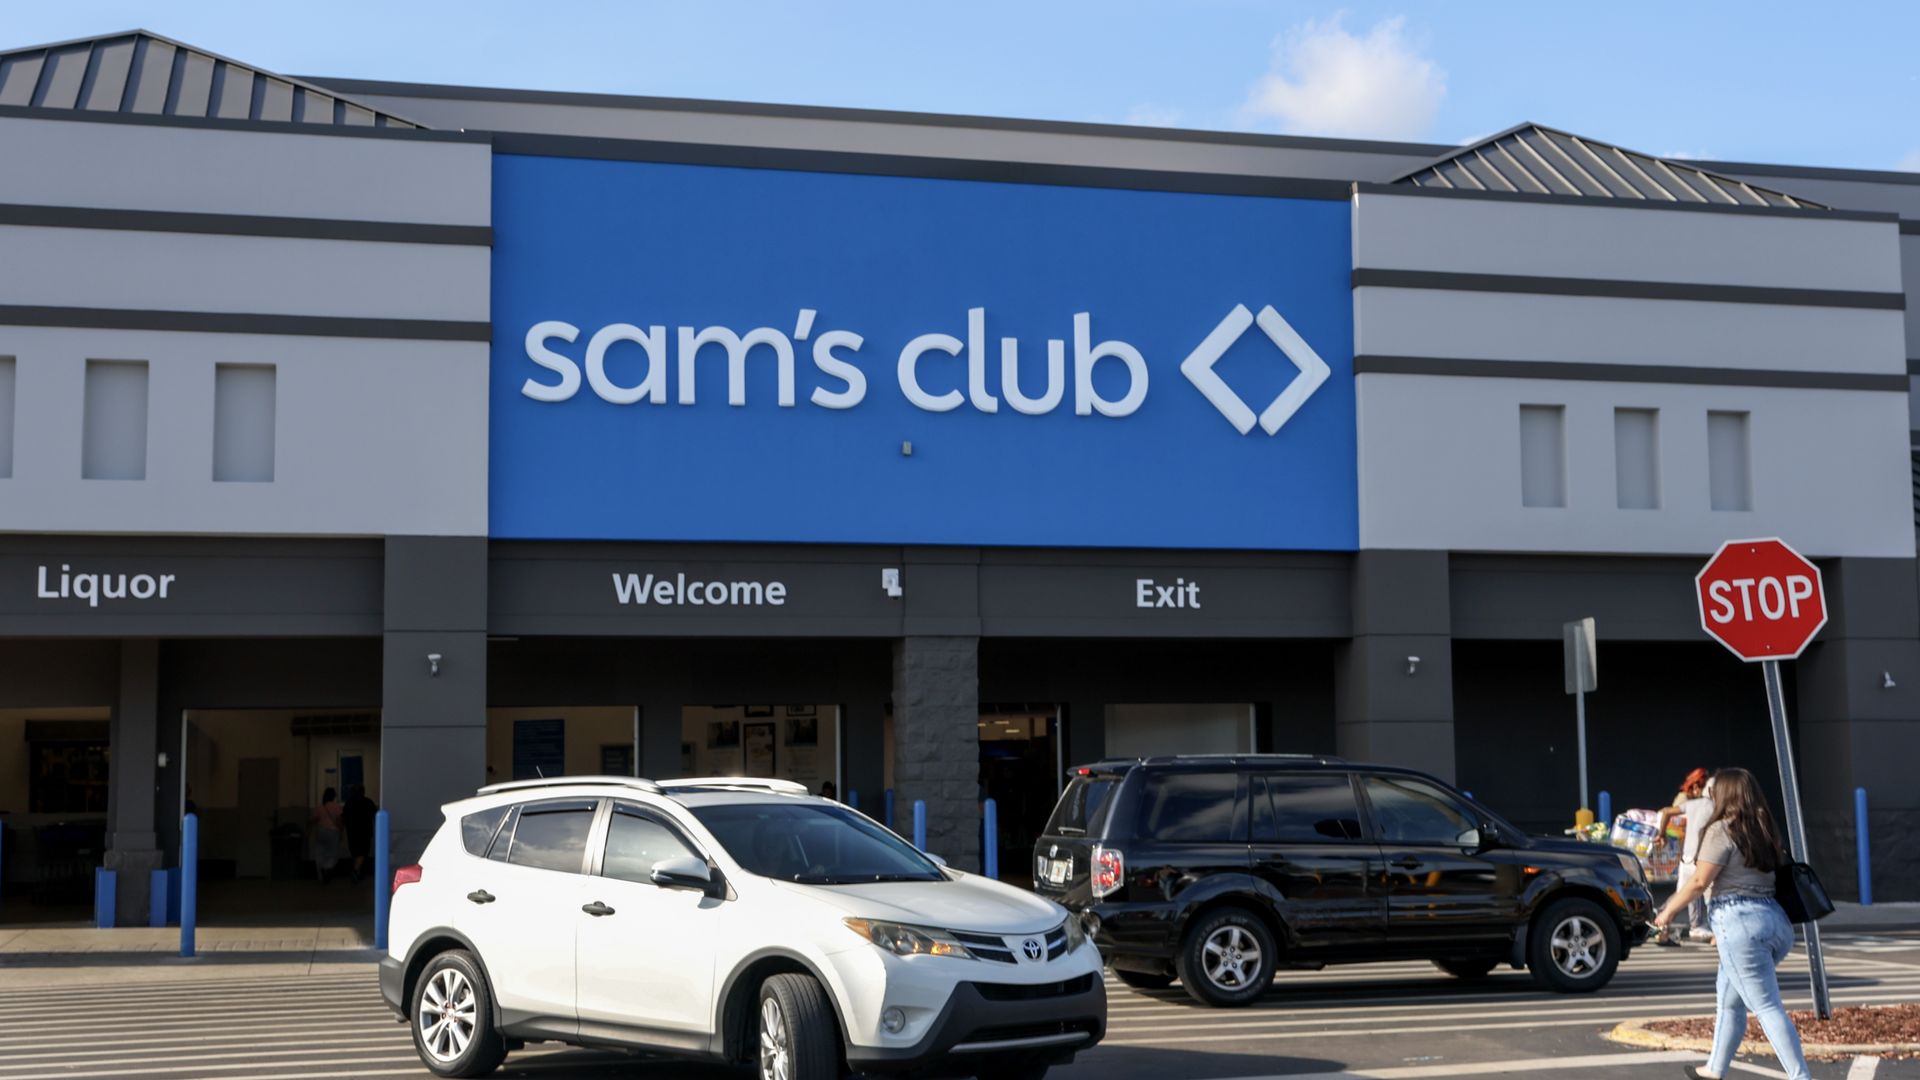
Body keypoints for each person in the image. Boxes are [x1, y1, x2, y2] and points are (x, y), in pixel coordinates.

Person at [1654, 767, 1809, 1080]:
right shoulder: (1765, 827)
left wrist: (1668, 911)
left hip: (1739, 923)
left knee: (1766, 1006)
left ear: (1723, 795)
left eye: (1713, 792)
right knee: (1729, 1001)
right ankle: (1714, 1069)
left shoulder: (1722, 829)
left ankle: (1801, 1076)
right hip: (1774, 921)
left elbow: (1699, 881)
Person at [1654, 768, 1714, 946]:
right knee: (1711, 896)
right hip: (1700, 860)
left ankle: (1662, 931)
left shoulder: (1691, 805)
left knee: (1682, 894)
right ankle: (1711, 932)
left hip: (1685, 860)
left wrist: (1661, 834)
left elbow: (1665, 812)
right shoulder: (1713, 807)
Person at [343, 784, 378, 884]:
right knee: (363, 852)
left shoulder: (349, 803)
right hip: (365, 831)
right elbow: (375, 815)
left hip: (352, 832)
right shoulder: (368, 802)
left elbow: (344, 817)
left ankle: (358, 872)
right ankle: (356, 871)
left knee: (355, 852)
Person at [311, 787, 344, 885]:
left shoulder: (320, 807)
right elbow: (339, 820)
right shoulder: (337, 806)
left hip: (321, 831)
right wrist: (341, 832)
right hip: (333, 832)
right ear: (333, 796)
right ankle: (327, 870)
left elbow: (314, 819)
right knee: (332, 853)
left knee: (320, 852)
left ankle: (320, 873)